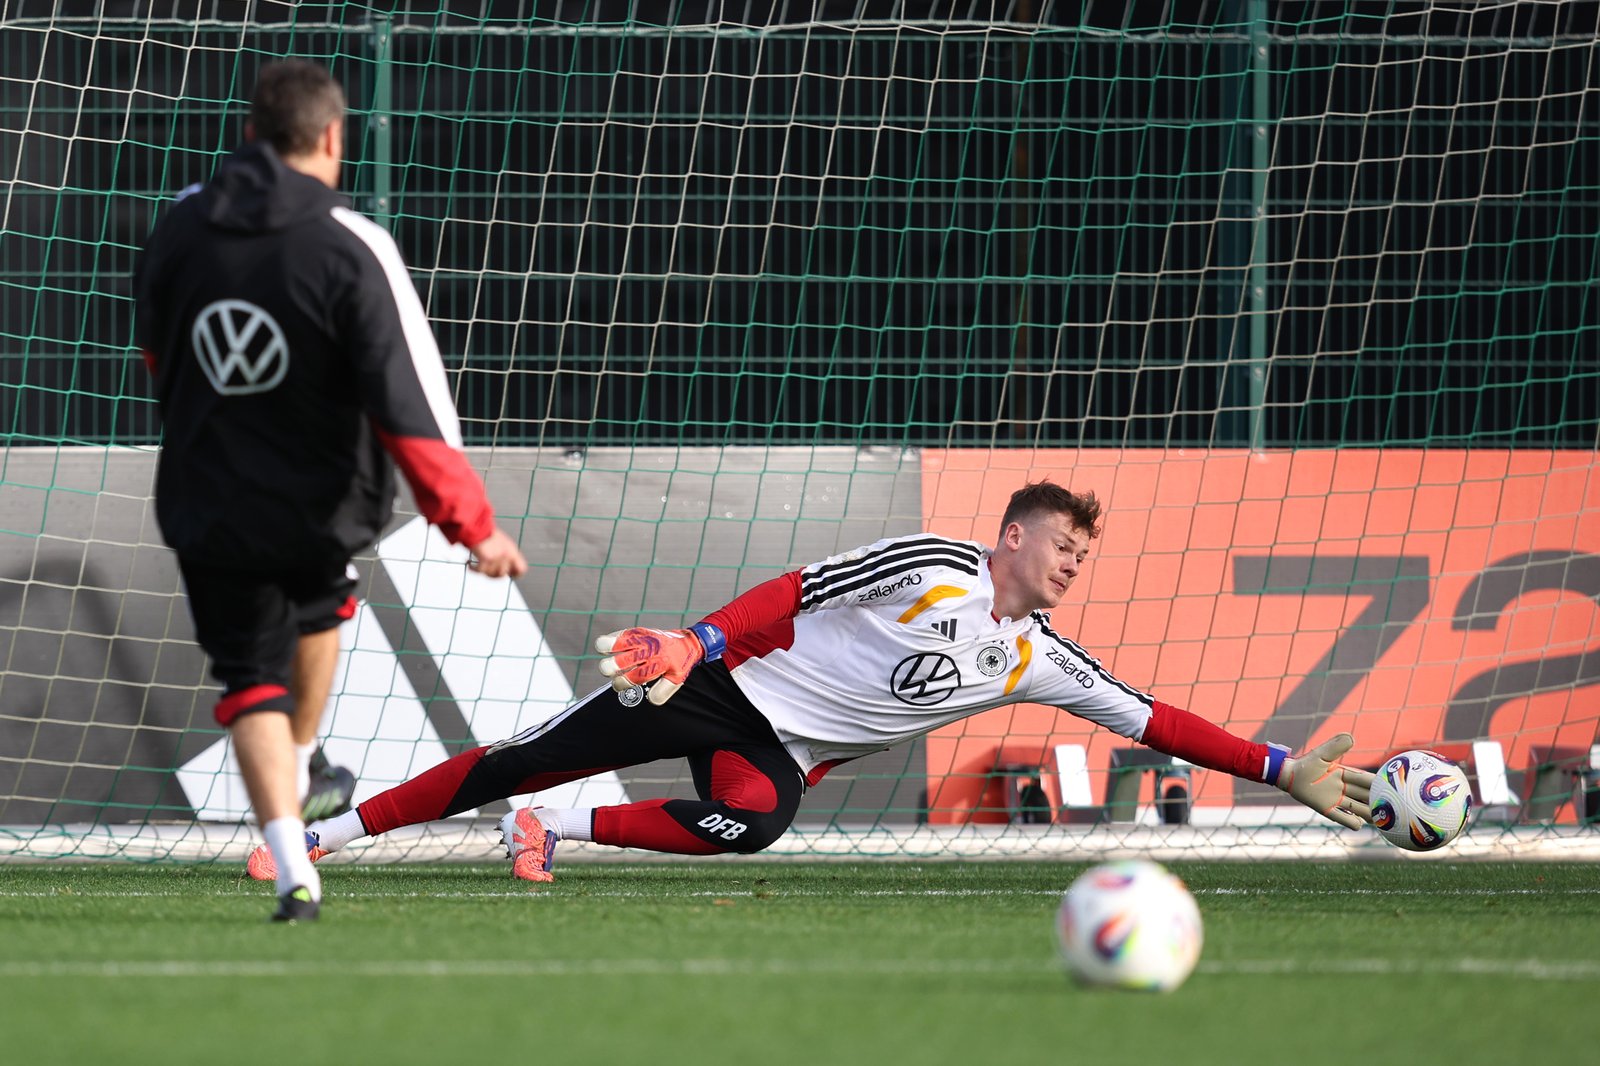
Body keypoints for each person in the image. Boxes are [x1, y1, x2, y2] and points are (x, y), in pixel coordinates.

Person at [248, 481, 1373, 883]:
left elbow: (1156, 721)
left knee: (752, 823)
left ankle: (554, 827)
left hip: (772, 750)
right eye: (1062, 544)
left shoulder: (1040, 658)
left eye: (1083, 554)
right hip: (721, 681)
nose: (1072, 563)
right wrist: (696, 642)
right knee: (517, 758)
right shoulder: (934, 565)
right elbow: (796, 589)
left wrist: (1282, 768)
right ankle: (318, 838)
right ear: (1013, 536)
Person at [133, 60, 528, 921]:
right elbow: (410, 407)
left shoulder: (177, 228)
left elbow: (159, 358)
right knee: (321, 610)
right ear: (333, 137)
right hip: (319, 505)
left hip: (207, 501)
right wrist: (474, 527)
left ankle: (293, 868)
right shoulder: (353, 243)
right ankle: (304, 772)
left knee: (249, 683)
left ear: (250, 134)